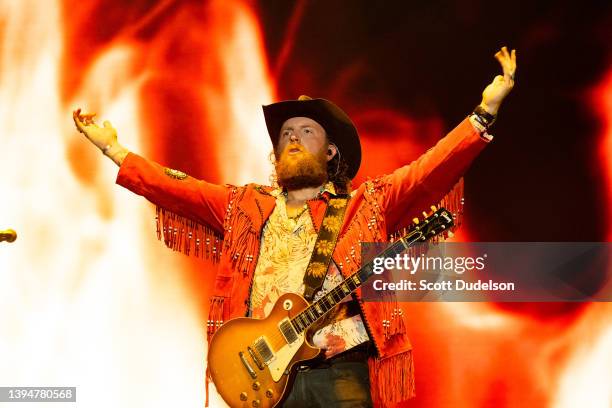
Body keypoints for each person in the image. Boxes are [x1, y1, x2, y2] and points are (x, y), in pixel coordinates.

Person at [73, 47, 516, 408]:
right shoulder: (245, 206)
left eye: (306, 130)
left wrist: (483, 115)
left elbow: (427, 172)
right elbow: (177, 189)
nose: (292, 137)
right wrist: (116, 151)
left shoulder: (367, 205)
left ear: (330, 154)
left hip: (338, 373)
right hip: (261, 377)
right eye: (286, 132)